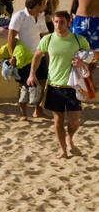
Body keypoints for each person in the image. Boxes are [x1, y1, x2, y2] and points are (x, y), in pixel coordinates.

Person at [28, 11, 93, 158]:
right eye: (56, 22)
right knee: (58, 120)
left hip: (73, 86)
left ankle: (70, 137)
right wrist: (32, 73)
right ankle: (63, 150)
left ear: (69, 23)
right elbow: (37, 56)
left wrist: (82, 62)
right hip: (54, 86)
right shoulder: (48, 39)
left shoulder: (78, 40)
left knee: (75, 121)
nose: (58, 25)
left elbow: (90, 57)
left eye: (62, 22)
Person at [7, 0, 48, 120]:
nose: (45, 6)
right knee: (24, 85)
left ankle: (38, 110)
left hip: (39, 55)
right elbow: (11, 37)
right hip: (24, 57)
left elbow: (45, 35)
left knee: (41, 82)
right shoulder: (19, 16)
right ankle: (23, 113)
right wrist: (12, 55)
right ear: (37, 4)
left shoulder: (40, 16)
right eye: (44, 3)